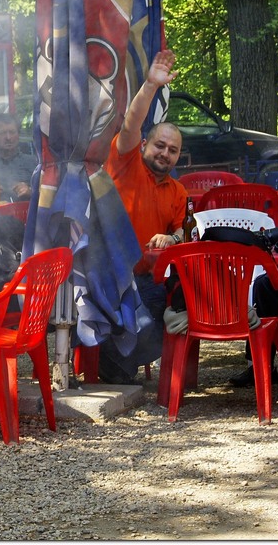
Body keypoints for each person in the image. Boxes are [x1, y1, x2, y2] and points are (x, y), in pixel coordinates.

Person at [99, 49, 187, 384]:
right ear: (144, 145)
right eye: (160, 145)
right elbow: (131, 124)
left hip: (149, 281)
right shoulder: (126, 163)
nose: (165, 153)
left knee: (178, 314)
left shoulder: (178, 191)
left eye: (173, 150)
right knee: (148, 327)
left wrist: (172, 237)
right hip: (110, 277)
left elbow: (185, 233)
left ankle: (115, 366)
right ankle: (112, 369)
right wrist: (150, 86)